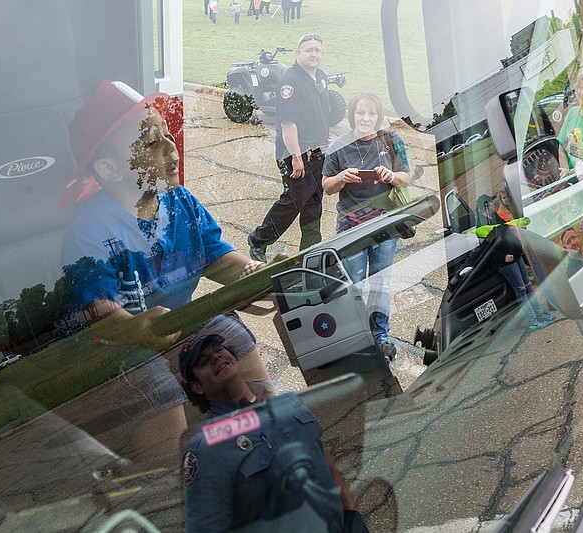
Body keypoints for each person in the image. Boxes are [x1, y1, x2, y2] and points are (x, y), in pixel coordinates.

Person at [58, 80, 274, 456]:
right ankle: (170, 482)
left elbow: (215, 256)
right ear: (109, 168)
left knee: (232, 335)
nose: (170, 148)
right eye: (149, 143)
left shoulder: (180, 201)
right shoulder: (91, 232)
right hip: (117, 351)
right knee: (154, 385)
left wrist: (253, 273)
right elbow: (98, 313)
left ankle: (265, 442)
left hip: (175, 328)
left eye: (169, 135)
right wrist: (136, 326)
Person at [180, 334, 365, 532]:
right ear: (197, 387)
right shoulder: (207, 447)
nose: (215, 357)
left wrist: (351, 510)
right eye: (204, 361)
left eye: (218, 349)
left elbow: (321, 451)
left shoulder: (286, 403)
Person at [321, 93, 412, 362]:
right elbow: (326, 187)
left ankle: (381, 335)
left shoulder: (391, 140)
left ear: (378, 116)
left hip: (385, 224)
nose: (365, 118)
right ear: (352, 116)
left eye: (371, 114)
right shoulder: (339, 146)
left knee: (381, 282)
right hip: (351, 226)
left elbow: (405, 177)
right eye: (360, 113)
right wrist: (340, 178)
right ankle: (355, 336)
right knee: (355, 284)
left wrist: (391, 176)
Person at [248, 34, 331, 261]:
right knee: (294, 200)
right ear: (298, 53)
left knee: (314, 201)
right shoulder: (290, 82)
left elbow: (321, 114)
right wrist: (296, 156)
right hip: (294, 153)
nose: (314, 54)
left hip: (317, 153)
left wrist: (326, 139)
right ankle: (258, 240)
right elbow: (288, 123)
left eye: (317, 50)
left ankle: (311, 251)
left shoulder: (319, 77)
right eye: (308, 50)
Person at [487, 222, 555, 331]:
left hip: (516, 257)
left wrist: (520, 249)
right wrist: (502, 257)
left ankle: (540, 314)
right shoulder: (493, 232)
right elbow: (488, 251)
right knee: (521, 290)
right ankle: (533, 321)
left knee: (527, 286)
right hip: (507, 263)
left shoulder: (508, 229)